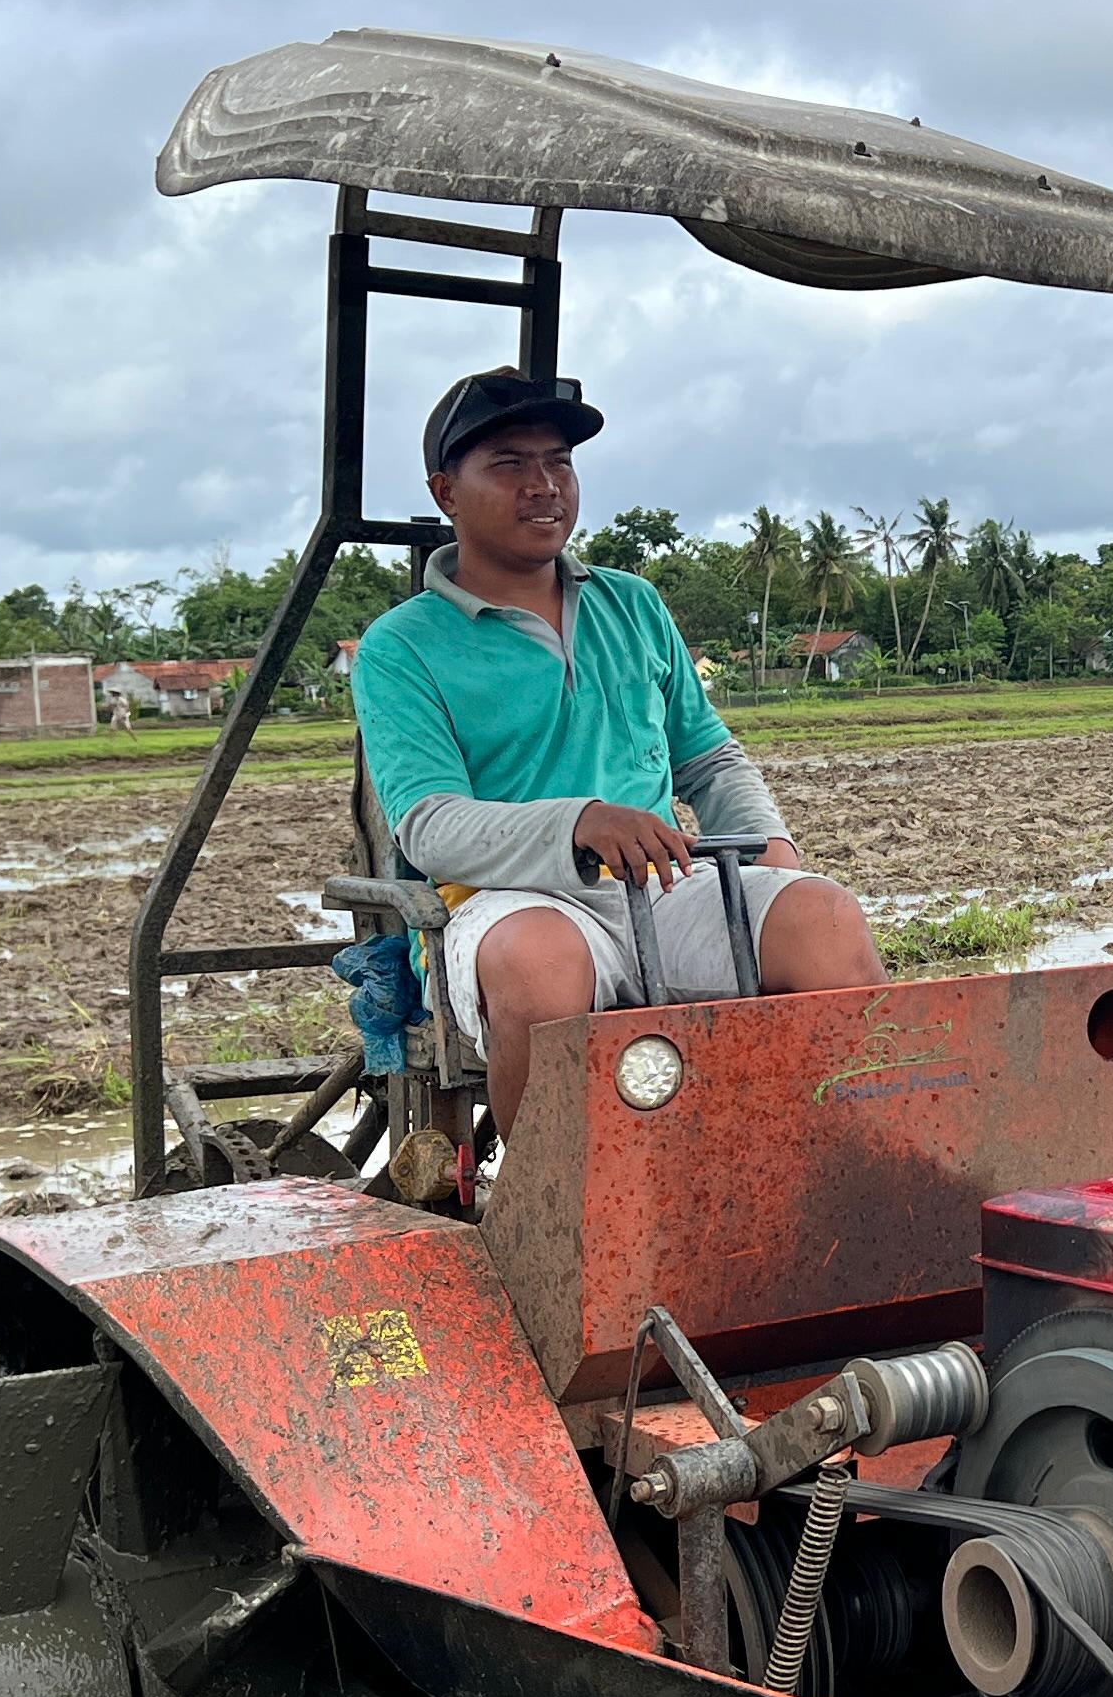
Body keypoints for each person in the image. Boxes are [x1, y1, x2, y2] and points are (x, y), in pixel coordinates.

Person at [351, 369, 885, 1133]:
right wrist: (578, 822)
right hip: (506, 904)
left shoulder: (630, 604)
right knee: (541, 961)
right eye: (509, 464)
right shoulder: (402, 646)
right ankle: (552, 1226)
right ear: (446, 491)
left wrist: (774, 848)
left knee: (823, 917)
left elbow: (706, 756)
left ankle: (849, 1175)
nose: (543, 485)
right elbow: (429, 824)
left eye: (559, 462)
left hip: (659, 890)